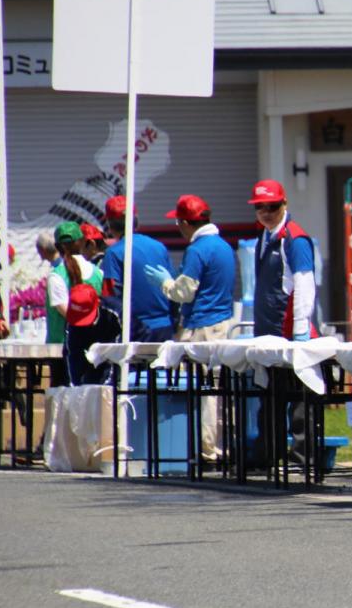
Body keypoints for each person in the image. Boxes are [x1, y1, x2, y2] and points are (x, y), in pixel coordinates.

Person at [144, 194, 237, 464]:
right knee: (218, 390)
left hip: (201, 327)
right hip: (223, 324)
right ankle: (219, 445)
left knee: (203, 391)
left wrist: (164, 283)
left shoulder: (197, 250)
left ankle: (207, 449)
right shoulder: (223, 247)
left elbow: (184, 292)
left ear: (186, 223)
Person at [250, 178, 317, 468]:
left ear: (284, 204)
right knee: (270, 398)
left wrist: (300, 331)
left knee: (300, 400)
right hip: (268, 334)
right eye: (260, 207)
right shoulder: (264, 238)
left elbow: (305, 285)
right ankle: (269, 454)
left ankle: (302, 457)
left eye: (272, 206)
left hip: (289, 332)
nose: (266, 212)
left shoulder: (295, 239)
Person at [100, 195, 178, 342]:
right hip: (164, 326)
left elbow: (110, 297)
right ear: (136, 220)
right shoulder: (159, 247)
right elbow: (173, 288)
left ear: (110, 225)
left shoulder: (114, 253)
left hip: (135, 330)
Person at [48, 222, 104, 386]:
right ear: (81, 242)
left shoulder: (56, 275)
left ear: (57, 246)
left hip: (62, 347)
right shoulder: (98, 273)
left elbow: (63, 310)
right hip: (94, 346)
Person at [64, 284, 121, 386]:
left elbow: (119, 354)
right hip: (90, 353)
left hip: (113, 353)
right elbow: (74, 354)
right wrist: (77, 387)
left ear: (97, 303)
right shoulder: (72, 323)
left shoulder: (114, 314)